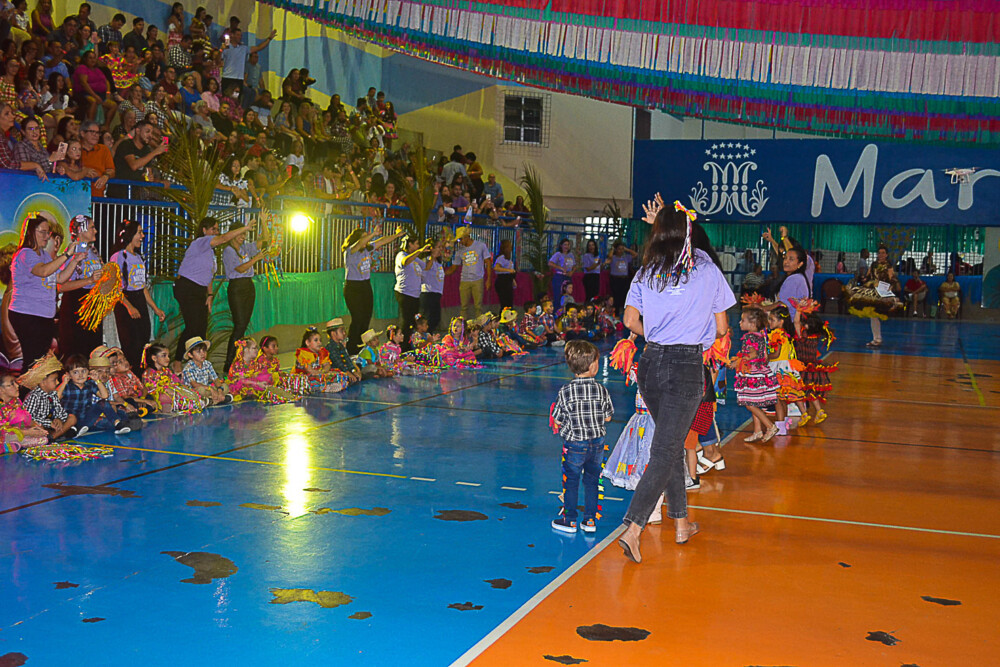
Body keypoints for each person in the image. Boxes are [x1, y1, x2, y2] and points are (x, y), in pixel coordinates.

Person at [617, 198, 735, 564]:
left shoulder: (647, 270)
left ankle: (682, 523)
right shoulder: (707, 269)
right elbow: (722, 328)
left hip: (650, 362)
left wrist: (656, 333)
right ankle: (633, 527)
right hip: (686, 364)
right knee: (667, 449)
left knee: (670, 443)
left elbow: (629, 320)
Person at [549, 340, 614, 534]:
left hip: (574, 444)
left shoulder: (566, 391)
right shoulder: (601, 390)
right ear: (593, 366)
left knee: (571, 481)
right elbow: (608, 417)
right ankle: (590, 520)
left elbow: (557, 419)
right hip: (597, 443)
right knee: (592, 480)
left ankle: (569, 520)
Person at [9, 216, 86, 372]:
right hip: (27, 313)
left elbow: (60, 278)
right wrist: (66, 255)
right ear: (31, 232)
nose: (46, 236)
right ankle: (27, 387)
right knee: (33, 360)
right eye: (42, 232)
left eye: (48, 232)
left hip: (43, 314)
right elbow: (43, 271)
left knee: (41, 359)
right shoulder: (25, 254)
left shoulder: (44, 255)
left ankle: (36, 387)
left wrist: (74, 261)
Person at [173, 217, 251, 362]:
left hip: (200, 289)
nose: (216, 232)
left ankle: (198, 362)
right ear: (204, 230)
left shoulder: (210, 253)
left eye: (217, 229)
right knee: (192, 326)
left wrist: (209, 295)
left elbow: (209, 275)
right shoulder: (200, 242)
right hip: (187, 287)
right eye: (213, 229)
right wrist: (245, 228)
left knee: (202, 328)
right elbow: (223, 238)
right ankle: (178, 361)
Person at [110, 220, 166, 374]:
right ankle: (131, 377)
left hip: (139, 300)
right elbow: (114, 287)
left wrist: (156, 309)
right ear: (129, 235)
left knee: (144, 341)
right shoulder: (118, 256)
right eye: (139, 232)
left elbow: (143, 287)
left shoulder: (139, 257)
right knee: (131, 343)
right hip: (125, 301)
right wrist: (129, 306)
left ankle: (143, 377)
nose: (142, 236)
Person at [341, 226, 405, 352]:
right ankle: (351, 347)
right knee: (357, 318)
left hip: (365, 285)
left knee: (366, 317)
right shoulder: (350, 251)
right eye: (364, 237)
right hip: (353, 288)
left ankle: (362, 346)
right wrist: (372, 233)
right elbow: (359, 243)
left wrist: (396, 235)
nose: (367, 240)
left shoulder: (367, 249)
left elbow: (382, 241)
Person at [56, 215, 104, 360]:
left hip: (93, 304)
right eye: (92, 227)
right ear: (81, 230)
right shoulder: (72, 252)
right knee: (77, 351)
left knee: (93, 349)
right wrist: (89, 280)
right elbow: (61, 286)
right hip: (76, 305)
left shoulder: (93, 251)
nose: (95, 231)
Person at [730, 308, 779, 442]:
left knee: (749, 403)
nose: (740, 323)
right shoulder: (761, 335)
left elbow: (753, 354)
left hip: (752, 373)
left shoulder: (749, 337)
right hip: (760, 371)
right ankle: (757, 431)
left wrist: (738, 361)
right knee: (754, 402)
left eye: (742, 320)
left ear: (752, 324)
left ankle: (770, 426)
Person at [222, 225, 266, 372]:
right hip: (237, 287)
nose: (243, 237)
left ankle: (239, 361)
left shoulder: (244, 248)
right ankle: (229, 363)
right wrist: (256, 259)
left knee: (244, 325)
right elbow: (239, 269)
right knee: (239, 325)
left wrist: (263, 222)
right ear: (233, 234)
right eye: (240, 234)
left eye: (244, 234)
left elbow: (264, 241)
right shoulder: (229, 251)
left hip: (248, 285)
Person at [60, 354, 137, 434]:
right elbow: (56, 397)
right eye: (75, 372)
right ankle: (75, 430)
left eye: (83, 371)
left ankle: (118, 424)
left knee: (103, 404)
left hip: (87, 419)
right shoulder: (67, 387)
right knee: (105, 422)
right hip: (72, 421)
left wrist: (97, 380)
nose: (80, 375)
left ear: (88, 372)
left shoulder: (90, 384)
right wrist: (64, 383)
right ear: (68, 374)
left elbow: (104, 396)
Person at [767, 306, 809, 434]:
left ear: (781, 322)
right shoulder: (786, 333)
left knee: (778, 398)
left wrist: (764, 357)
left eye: (772, 319)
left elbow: (776, 354)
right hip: (787, 366)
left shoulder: (776, 334)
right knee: (782, 397)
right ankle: (784, 422)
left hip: (779, 367)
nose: (769, 322)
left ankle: (781, 426)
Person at [19, 353, 79, 439]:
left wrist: (59, 419)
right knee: (38, 426)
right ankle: (54, 435)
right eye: (54, 380)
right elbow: (29, 418)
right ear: (43, 382)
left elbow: (60, 411)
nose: (57, 382)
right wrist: (48, 423)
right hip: (41, 426)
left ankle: (52, 436)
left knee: (72, 418)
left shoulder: (53, 394)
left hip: (52, 426)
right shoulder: (34, 396)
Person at [142, 343, 206, 414]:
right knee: (164, 397)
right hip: (159, 398)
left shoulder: (166, 370)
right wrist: (166, 389)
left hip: (172, 393)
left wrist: (180, 382)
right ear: (154, 358)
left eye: (168, 356)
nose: (168, 359)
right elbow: (151, 389)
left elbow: (176, 382)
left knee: (189, 391)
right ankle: (166, 413)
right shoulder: (148, 373)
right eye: (164, 356)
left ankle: (195, 403)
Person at [447, 226, 492, 322]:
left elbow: (488, 261)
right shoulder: (460, 250)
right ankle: (463, 325)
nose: (460, 242)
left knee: (478, 306)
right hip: (465, 280)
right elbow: (454, 267)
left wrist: (488, 279)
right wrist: (442, 273)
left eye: (461, 239)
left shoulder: (480, 246)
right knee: (464, 306)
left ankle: (479, 324)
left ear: (467, 237)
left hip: (477, 279)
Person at [394, 235, 430, 350]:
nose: (418, 246)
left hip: (415, 294)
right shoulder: (402, 255)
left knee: (412, 322)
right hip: (405, 293)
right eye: (416, 244)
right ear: (410, 244)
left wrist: (433, 256)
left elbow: (426, 267)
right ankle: (402, 347)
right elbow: (405, 262)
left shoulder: (416, 259)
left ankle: (410, 344)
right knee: (406, 321)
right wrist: (419, 251)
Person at [181, 337, 232, 405]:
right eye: (198, 352)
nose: (202, 354)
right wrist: (210, 389)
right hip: (196, 390)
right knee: (200, 390)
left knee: (225, 386)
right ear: (190, 355)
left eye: (204, 350)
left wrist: (220, 390)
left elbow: (215, 379)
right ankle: (218, 399)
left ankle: (211, 400)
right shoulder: (188, 368)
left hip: (207, 390)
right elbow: (194, 384)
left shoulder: (207, 364)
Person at [295, 327, 348, 392]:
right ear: (307, 342)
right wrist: (320, 374)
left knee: (338, 374)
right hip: (307, 376)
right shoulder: (304, 354)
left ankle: (327, 385)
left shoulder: (322, 352)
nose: (319, 343)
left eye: (320, 340)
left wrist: (323, 372)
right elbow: (309, 370)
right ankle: (323, 387)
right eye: (316, 340)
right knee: (311, 380)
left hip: (319, 374)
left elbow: (327, 365)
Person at [420, 235, 447, 332]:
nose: (440, 249)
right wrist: (432, 257)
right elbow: (426, 268)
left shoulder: (438, 262)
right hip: (428, 293)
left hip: (436, 293)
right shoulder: (427, 260)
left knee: (436, 318)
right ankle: (424, 336)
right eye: (438, 247)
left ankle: (429, 336)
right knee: (428, 319)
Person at [323, 320, 361, 384]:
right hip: (338, 373)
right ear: (333, 333)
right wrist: (348, 373)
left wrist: (354, 371)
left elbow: (347, 359)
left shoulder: (340, 346)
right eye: (341, 331)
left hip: (345, 371)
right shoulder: (330, 348)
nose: (344, 333)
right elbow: (338, 364)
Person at [606, 241, 636, 318]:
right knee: (616, 297)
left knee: (624, 296)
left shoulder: (626, 257)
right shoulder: (613, 257)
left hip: (624, 279)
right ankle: (616, 314)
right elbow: (609, 256)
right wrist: (613, 249)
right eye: (619, 249)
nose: (621, 251)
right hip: (615, 279)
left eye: (622, 249)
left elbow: (635, 254)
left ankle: (624, 314)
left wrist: (627, 249)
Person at [548, 238, 576, 304]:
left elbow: (574, 266)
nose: (567, 246)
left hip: (568, 277)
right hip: (559, 276)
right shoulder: (558, 254)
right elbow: (550, 263)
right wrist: (560, 268)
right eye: (565, 245)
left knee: (567, 294)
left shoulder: (571, 255)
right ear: (561, 245)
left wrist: (572, 272)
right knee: (558, 295)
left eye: (568, 245)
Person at [493, 239, 516, 309]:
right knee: (505, 302)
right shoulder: (501, 258)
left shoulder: (508, 258)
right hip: (503, 281)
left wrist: (513, 281)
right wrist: (508, 270)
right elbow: (496, 268)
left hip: (508, 280)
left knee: (509, 302)